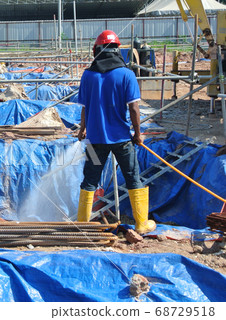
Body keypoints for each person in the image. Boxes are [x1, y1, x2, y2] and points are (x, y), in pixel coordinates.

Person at [76, 30, 156, 234]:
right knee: (133, 177)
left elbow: (85, 107)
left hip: (94, 141)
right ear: (117, 50)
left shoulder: (88, 75)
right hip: (122, 140)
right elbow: (134, 108)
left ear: (97, 50)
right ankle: (140, 224)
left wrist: (82, 129)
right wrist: (138, 134)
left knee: (89, 180)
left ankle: (83, 224)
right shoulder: (126, 74)